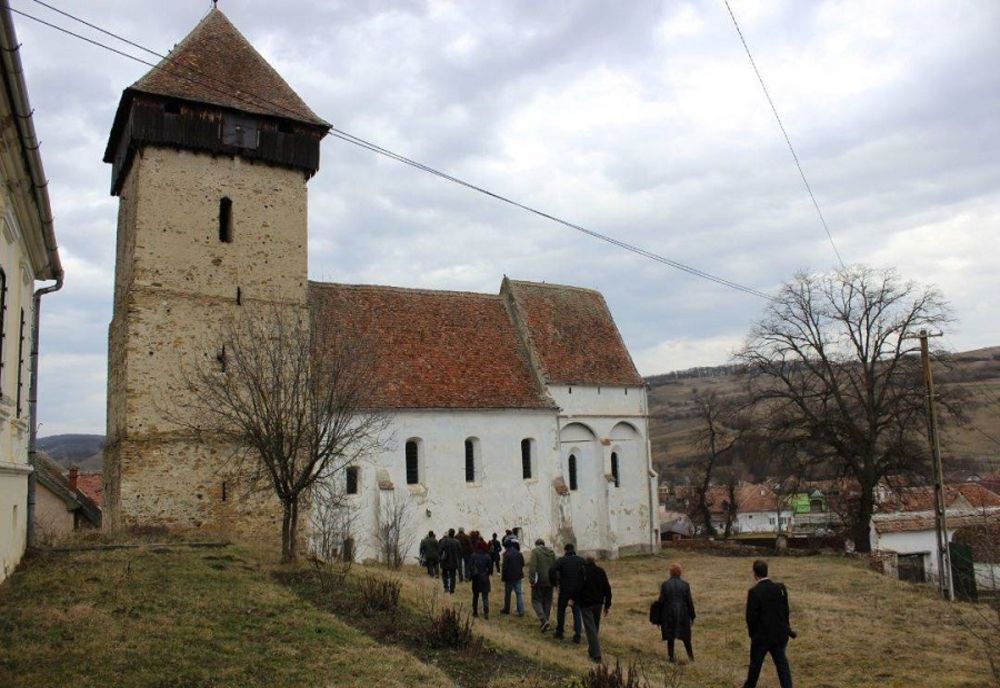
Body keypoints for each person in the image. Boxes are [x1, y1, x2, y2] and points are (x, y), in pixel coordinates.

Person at [741, 559, 794, 688]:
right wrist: (786, 628)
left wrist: (753, 635)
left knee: (755, 667)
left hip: (762, 637)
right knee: (782, 666)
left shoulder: (754, 592)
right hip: (779, 635)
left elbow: (751, 617)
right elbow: (785, 611)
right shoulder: (780, 588)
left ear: (754, 573)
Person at [658, 562, 696, 662]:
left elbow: (661, 601)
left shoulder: (665, 585)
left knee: (670, 637)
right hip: (683, 614)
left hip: (669, 614)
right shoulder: (685, 585)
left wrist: (658, 618)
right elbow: (689, 602)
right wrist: (692, 616)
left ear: (670, 573)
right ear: (680, 573)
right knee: (686, 638)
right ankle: (691, 658)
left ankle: (671, 657)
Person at [578, 555, 612, 664]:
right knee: (594, 628)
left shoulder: (583, 572)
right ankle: (592, 650)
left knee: (591, 629)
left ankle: (596, 655)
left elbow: (579, 587)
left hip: (586, 604)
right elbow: (607, 588)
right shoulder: (600, 571)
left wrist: (575, 599)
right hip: (598, 603)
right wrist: (607, 604)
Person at [549, 542, 585, 642]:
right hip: (578, 590)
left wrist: (554, 583)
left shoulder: (562, 560)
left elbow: (552, 570)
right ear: (574, 550)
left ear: (565, 550)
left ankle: (560, 632)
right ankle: (577, 635)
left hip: (565, 589)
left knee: (561, 610)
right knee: (577, 611)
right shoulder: (581, 560)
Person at [501, 540, 526, 616]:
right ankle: (521, 611)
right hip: (518, 576)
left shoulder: (506, 554)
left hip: (509, 577)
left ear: (506, 546)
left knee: (508, 594)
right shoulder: (519, 553)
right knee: (519, 594)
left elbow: (504, 567)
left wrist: (503, 577)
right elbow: (523, 564)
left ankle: (506, 609)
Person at [470, 540, 494, 619]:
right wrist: (487, 573)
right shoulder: (487, 556)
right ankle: (486, 613)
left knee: (475, 596)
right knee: (485, 596)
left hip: (476, 578)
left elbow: (470, 567)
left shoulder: (473, 555)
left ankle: (475, 612)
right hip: (484, 578)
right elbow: (490, 569)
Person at [439, 529, 461, 594]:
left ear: (449, 533)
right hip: (454, 561)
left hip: (445, 560)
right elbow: (460, 551)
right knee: (453, 576)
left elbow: (440, 551)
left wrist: (440, 558)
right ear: (454, 534)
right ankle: (452, 589)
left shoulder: (444, 541)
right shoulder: (457, 542)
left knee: (444, 574)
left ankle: (446, 587)